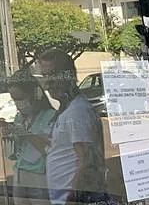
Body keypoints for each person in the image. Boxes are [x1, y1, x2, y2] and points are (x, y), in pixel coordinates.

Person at [35, 49, 108, 205]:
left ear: (69, 75)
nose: (48, 83)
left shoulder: (78, 110)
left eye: (53, 75)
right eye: (45, 76)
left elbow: (87, 162)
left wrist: (73, 198)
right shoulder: (67, 109)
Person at [5, 70, 57, 201]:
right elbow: (13, 154)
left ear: (34, 94)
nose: (18, 104)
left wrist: (27, 135)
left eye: (21, 98)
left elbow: (50, 149)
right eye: (14, 100)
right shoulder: (19, 118)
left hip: (40, 175)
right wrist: (8, 137)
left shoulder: (50, 116)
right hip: (19, 174)